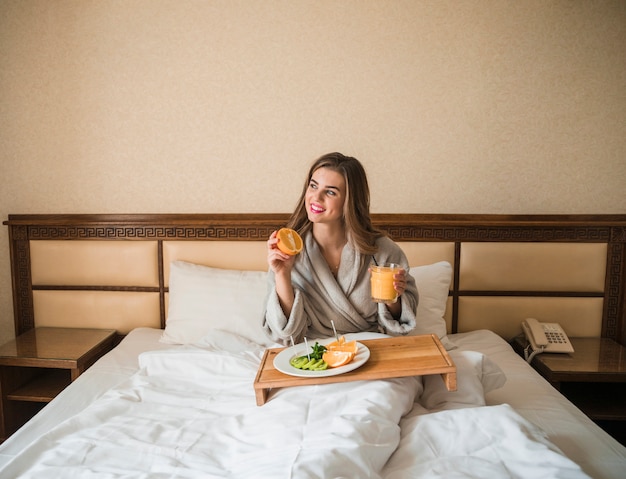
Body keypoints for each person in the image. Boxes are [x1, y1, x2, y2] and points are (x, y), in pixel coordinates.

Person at [263, 152, 418, 344]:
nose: (315, 197)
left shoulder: (381, 251)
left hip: (370, 349)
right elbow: (285, 335)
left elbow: (400, 327)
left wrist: (394, 300)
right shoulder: (288, 250)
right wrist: (282, 274)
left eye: (330, 192)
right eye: (313, 186)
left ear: (349, 201)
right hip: (312, 354)